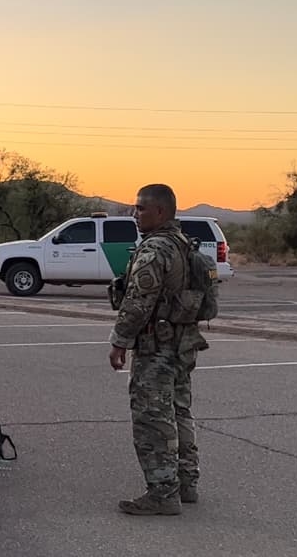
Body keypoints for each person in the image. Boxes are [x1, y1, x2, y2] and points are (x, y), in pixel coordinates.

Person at [107, 183, 209, 516]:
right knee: (179, 410)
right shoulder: (182, 243)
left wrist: (119, 340)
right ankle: (186, 483)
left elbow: (138, 302)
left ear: (160, 212)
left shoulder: (155, 250)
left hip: (157, 347)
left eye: (140, 208)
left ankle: (163, 492)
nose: (135, 214)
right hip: (182, 344)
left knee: (153, 417)